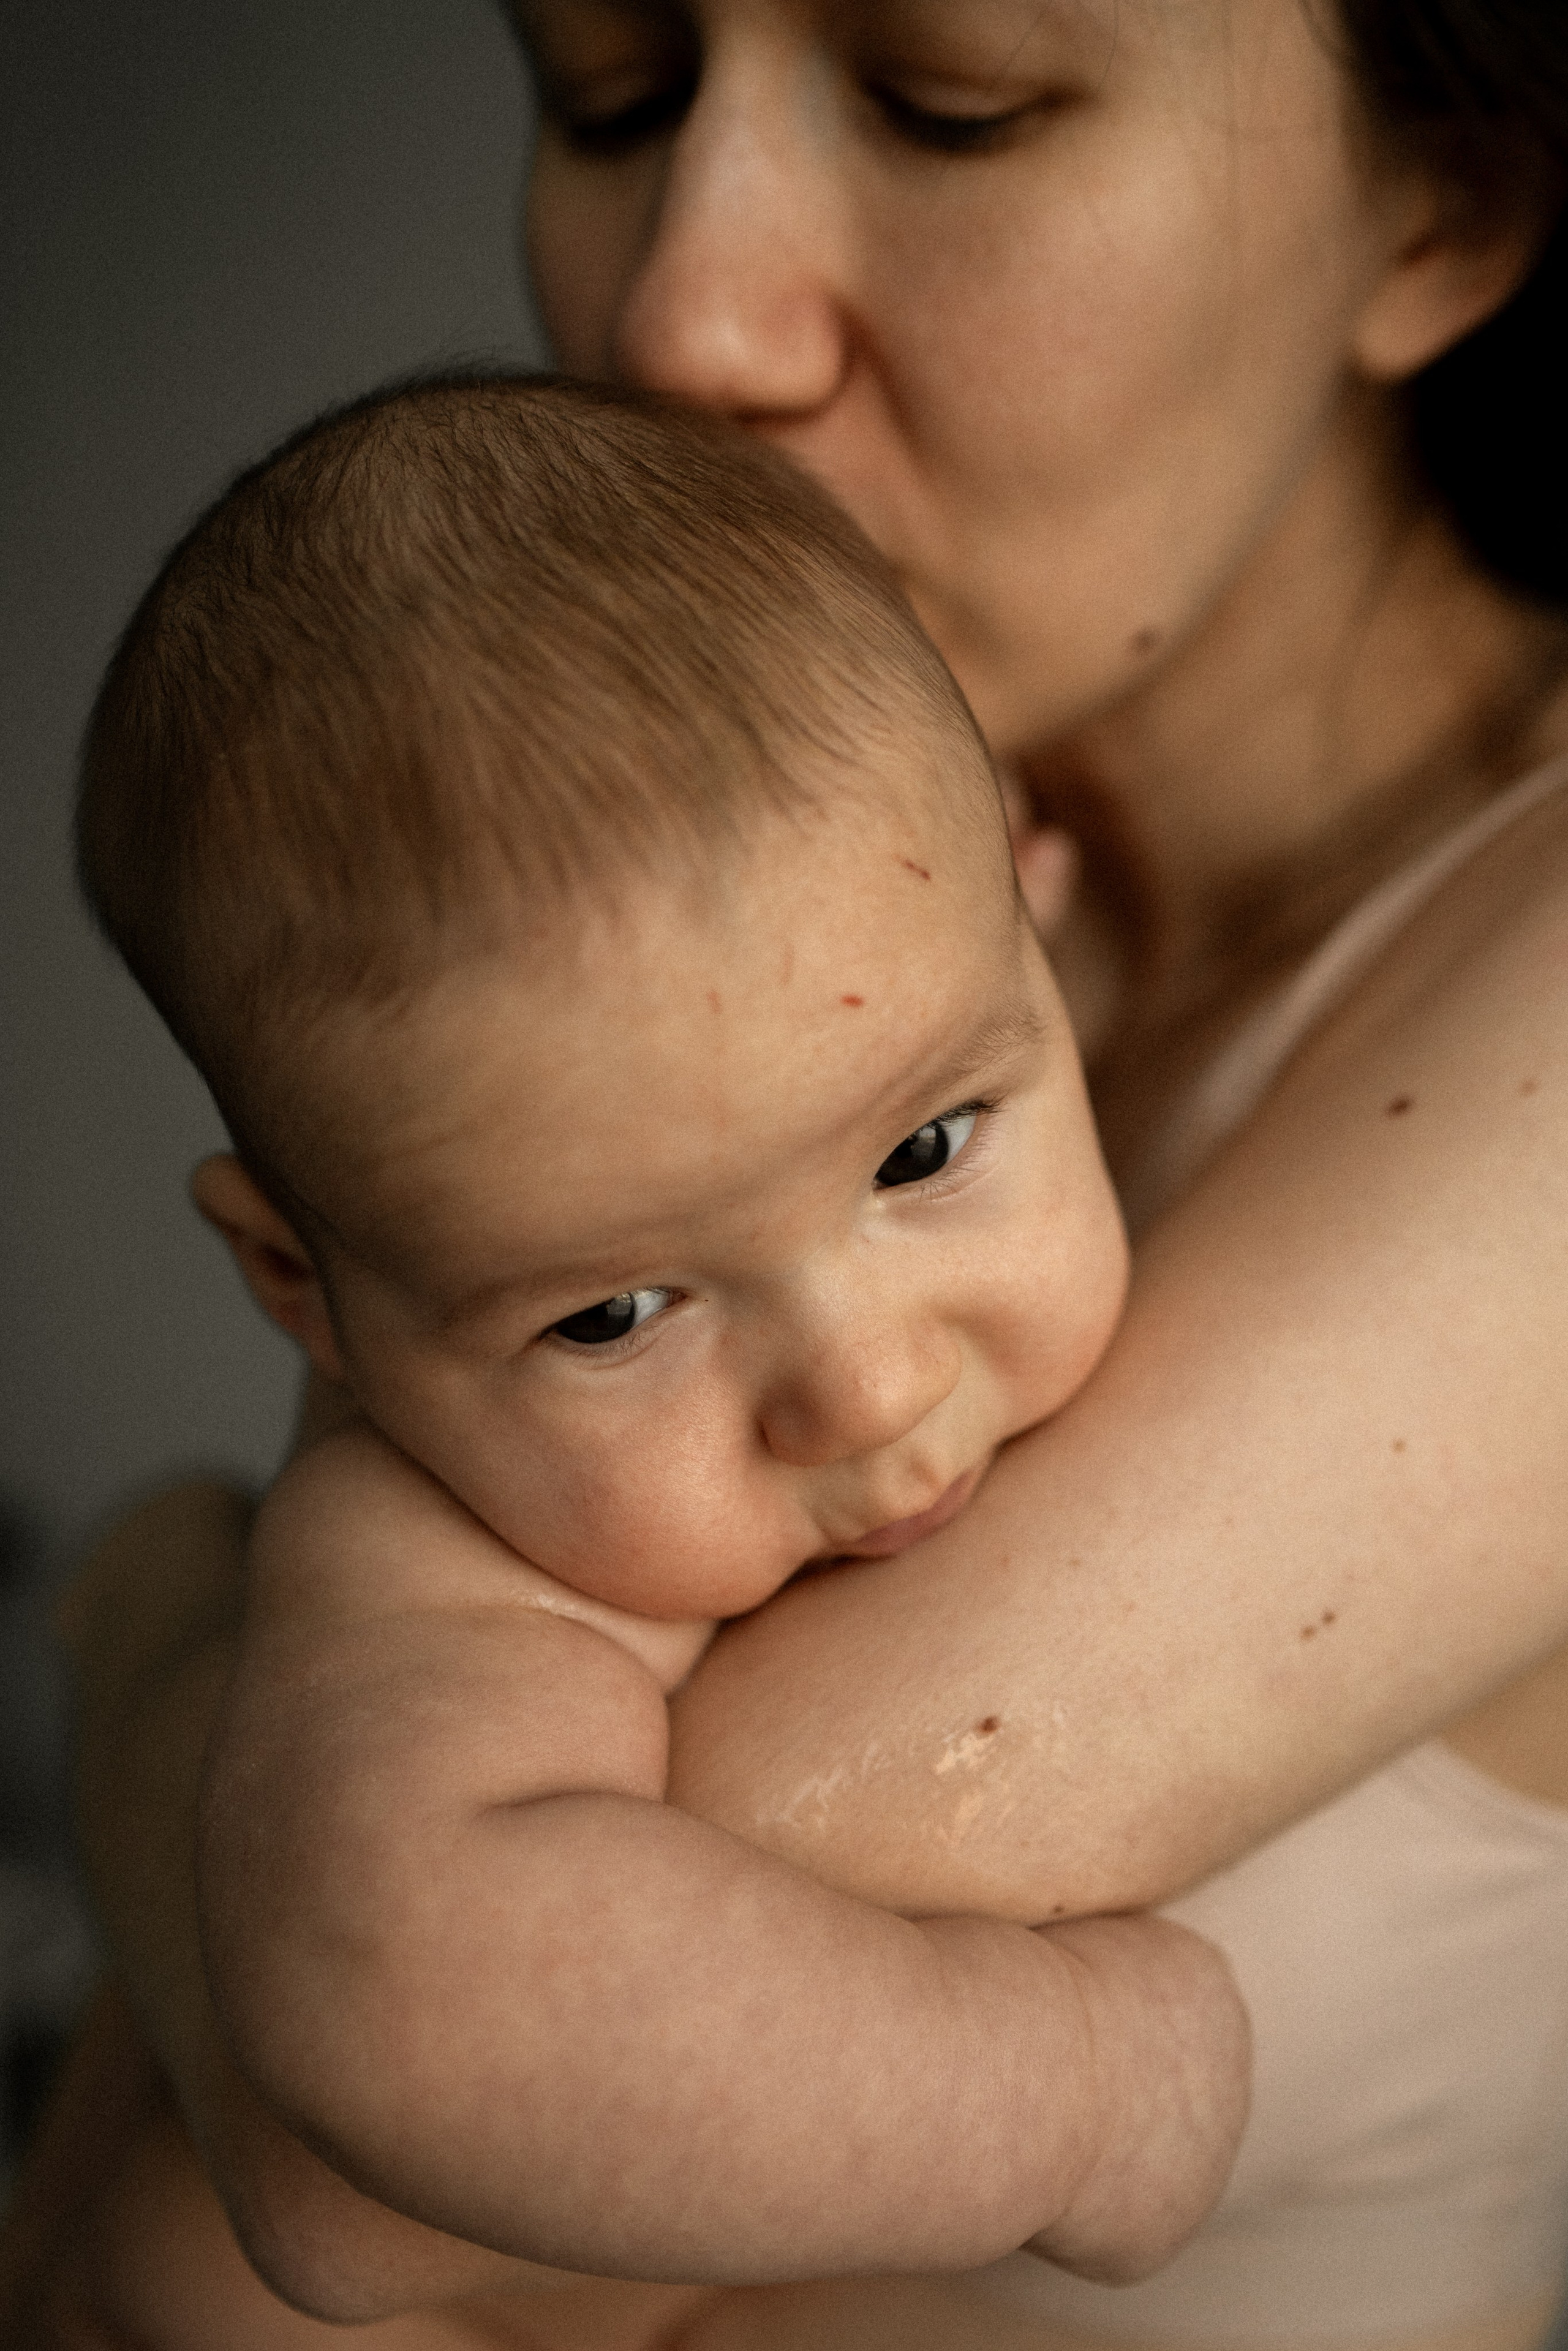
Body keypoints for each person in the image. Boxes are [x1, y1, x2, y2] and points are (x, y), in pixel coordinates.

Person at [8, 0, 1568, 2344]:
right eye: (608, 95)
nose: (675, 320)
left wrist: (143, 1614)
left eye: (955, 105)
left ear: (1444, 207)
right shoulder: (707, 1002)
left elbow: (372, 2129)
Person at [66, 369, 1246, 2304]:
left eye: (927, 1148)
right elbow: (416, 2005)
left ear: (1041, 923)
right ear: (307, 1295)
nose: (865, 1384)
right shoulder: (433, 1574)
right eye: (614, 1314)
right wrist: (1079, 2089)